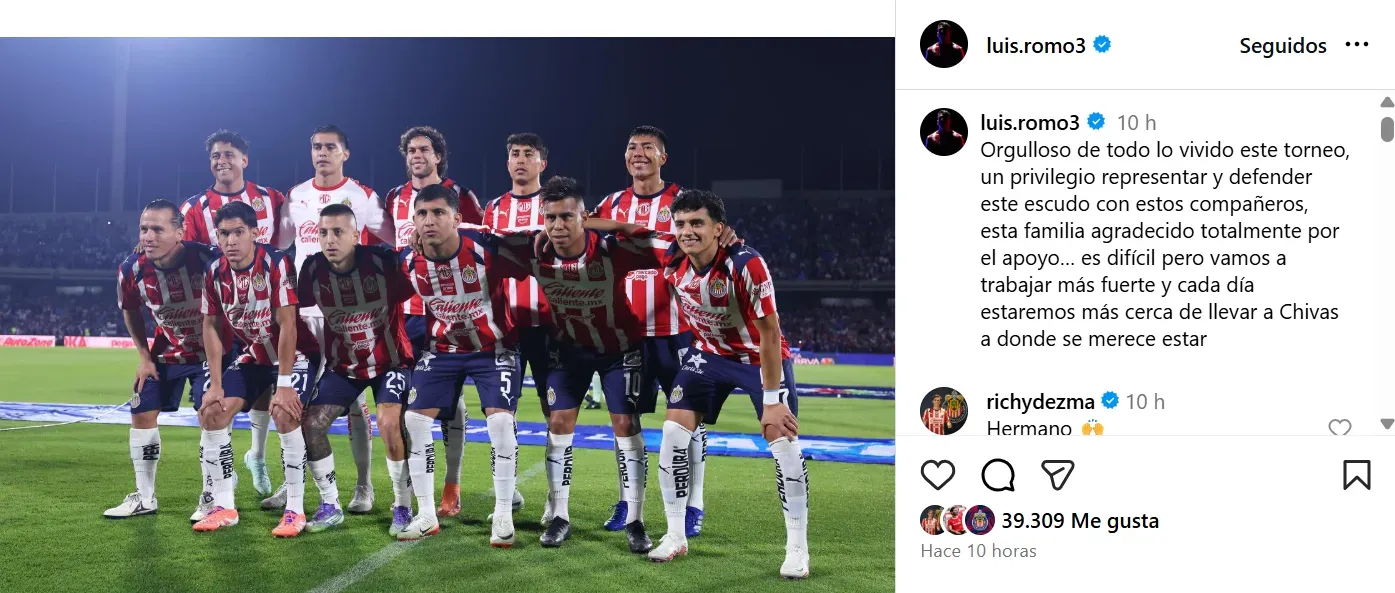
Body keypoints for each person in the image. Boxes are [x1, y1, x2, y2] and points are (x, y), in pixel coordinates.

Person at [584, 190, 810, 579]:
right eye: (681, 224)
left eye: (697, 223)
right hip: (707, 355)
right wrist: (583, 222)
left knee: (782, 442)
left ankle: (797, 549)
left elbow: (770, 334)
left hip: (756, 358)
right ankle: (675, 535)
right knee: (673, 432)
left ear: (718, 229)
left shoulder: (746, 264)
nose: (687, 231)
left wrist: (772, 400)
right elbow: (626, 229)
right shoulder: (670, 251)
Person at [486, 175, 675, 553]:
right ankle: (559, 516)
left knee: (626, 426)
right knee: (558, 422)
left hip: (619, 350)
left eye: (566, 217)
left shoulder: (613, 249)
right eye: (550, 218)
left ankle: (636, 521)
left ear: (584, 218)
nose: (557, 226)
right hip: (569, 349)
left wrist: (727, 241)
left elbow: (671, 243)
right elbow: (480, 239)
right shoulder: (533, 249)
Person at [394, 184, 528, 545]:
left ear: (457, 218)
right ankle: (426, 514)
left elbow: (537, 245)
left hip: (494, 348)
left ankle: (503, 513)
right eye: (422, 214)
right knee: (414, 420)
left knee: (501, 422)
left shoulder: (486, 245)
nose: (429, 221)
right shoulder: (406, 260)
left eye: (438, 213)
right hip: (443, 350)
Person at [381, 125, 501, 521]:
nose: (417, 156)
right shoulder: (394, 197)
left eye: (424, 150)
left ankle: (453, 483)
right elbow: (389, 248)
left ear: (438, 156)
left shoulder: (460, 194)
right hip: (405, 313)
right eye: (411, 150)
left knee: (452, 403)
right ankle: (408, 492)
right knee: (404, 404)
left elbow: (483, 239)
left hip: (450, 309)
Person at [592, 125, 707, 537]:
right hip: (628, 334)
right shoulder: (611, 204)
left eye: (647, 147)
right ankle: (629, 503)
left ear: (663, 158)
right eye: (631, 147)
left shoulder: (684, 201)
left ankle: (694, 505)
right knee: (625, 421)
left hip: (680, 332)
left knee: (689, 422)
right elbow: (587, 234)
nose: (638, 153)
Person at [272, 124, 392, 514]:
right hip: (304, 313)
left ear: (345, 153)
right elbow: (278, 246)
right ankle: (291, 483)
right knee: (295, 399)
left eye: (330, 147)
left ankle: (364, 486)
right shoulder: (296, 196)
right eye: (316, 147)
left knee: (354, 402)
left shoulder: (363, 196)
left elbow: (394, 241)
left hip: (348, 316)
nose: (322, 153)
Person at [178, 129, 294, 503]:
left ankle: (258, 457)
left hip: (267, 310)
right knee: (217, 399)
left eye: (229, 153)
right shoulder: (194, 207)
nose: (222, 160)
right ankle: (216, 488)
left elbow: (294, 240)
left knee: (270, 391)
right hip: (223, 314)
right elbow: (178, 248)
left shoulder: (272, 198)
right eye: (215, 155)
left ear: (245, 159)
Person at [194, 201, 321, 534]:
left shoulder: (275, 262)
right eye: (224, 234)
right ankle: (223, 506)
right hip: (255, 353)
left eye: (238, 232)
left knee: (285, 413)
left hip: (297, 353)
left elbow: (288, 324)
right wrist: (216, 384)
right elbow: (210, 325)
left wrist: (284, 384)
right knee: (213, 412)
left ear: (255, 232)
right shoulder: (213, 271)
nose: (231, 241)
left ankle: (295, 510)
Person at [292, 204, 415, 537]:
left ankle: (402, 505)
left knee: (389, 424)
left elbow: (418, 278)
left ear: (356, 235)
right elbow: (294, 309)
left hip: (391, 363)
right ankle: (330, 505)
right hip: (343, 366)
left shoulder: (383, 262)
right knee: (311, 425)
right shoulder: (312, 268)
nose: (329, 240)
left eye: (338, 232)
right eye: (322, 233)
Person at [105, 200, 226, 521]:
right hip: (167, 351)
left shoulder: (209, 259)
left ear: (180, 232)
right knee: (141, 407)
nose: (148, 236)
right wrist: (144, 357)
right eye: (144, 229)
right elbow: (130, 310)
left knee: (211, 412)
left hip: (212, 352)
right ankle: (144, 497)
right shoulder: (131, 269)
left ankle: (213, 495)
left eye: (158, 229)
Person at [480, 132, 554, 525]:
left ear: (543, 162)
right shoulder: (493, 209)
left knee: (554, 411)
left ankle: (555, 499)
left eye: (529, 153)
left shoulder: (555, 205)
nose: (521, 159)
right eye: (514, 153)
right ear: (507, 162)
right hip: (504, 330)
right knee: (500, 412)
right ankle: (507, 494)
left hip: (550, 326)